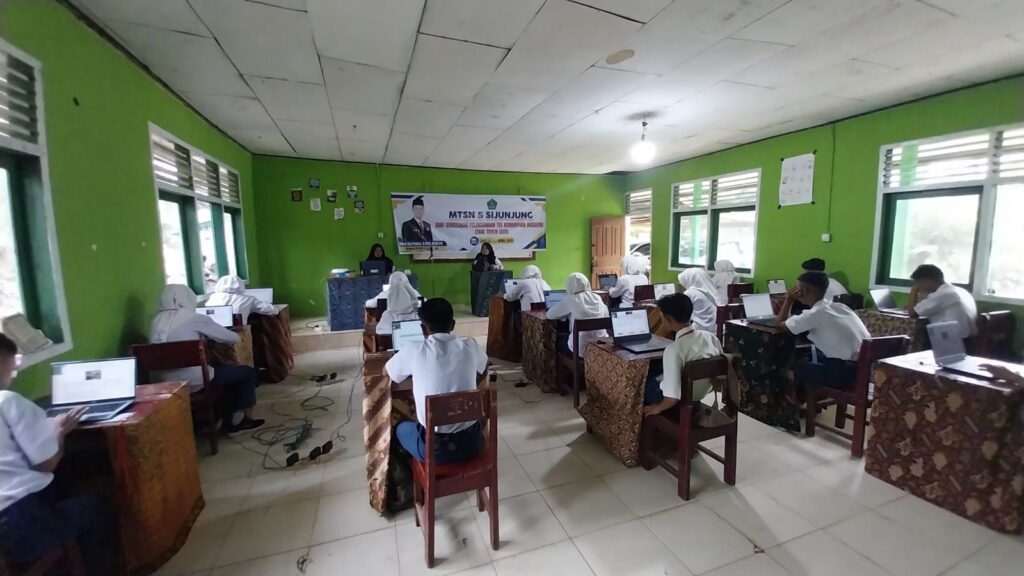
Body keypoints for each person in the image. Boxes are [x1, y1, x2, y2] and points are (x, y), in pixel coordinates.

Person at [0, 334, 117, 575]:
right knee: (95, 506)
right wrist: (59, 432)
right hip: (18, 528)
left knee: (64, 483)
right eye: (12, 366)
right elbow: (47, 464)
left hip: (10, 524)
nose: (14, 373)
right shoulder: (8, 401)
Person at [150, 285, 264, 434]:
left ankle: (216, 416)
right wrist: (228, 332)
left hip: (162, 382)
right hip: (192, 381)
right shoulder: (193, 318)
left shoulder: (154, 321)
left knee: (223, 372)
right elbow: (232, 338)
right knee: (246, 373)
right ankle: (237, 421)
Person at [386, 298, 487, 463]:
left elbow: (388, 372)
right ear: (453, 325)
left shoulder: (414, 349)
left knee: (400, 427)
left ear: (422, 328)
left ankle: (406, 473)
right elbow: (483, 366)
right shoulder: (471, 346)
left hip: (434, 450)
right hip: (473, 443)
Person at [777, 272, 870, 392]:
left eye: (797, 289)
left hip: (843, 374)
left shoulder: (814, 314)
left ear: (804, 291)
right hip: (863, 369)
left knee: (792, 365)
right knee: (809, 356)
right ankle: (812, 398)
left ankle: (795, 400)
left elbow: (779, 324)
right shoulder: (841, 307)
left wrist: (789, 299)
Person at [643, 294, 725, 416]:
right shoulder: (712, 338)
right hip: (702, 391)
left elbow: (672, 398)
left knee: (645, 381)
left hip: (681, 399)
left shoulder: (673, 349)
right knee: (660, 370)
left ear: (668, 319)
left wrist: (658, 408)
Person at [907, 264, 977, 341]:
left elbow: (912, 313)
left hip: (953, 341)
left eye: (918, 284)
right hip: (969, 340)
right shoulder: (959, 291)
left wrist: (914, 290)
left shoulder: (942, 294)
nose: (919, 288)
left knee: (917, 336)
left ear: (926, 282)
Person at [547, 273, 609, 354]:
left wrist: (564, 316)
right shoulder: (597, 298)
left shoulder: (571, 299)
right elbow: (606, 315)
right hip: (601, 346)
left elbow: (549, 315)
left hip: (580, 349)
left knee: (558, 340)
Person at [206, 275, 279, 324]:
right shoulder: (248, 299)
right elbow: (272, 310)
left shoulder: (212, 298)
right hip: (237, 333)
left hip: (212, 334)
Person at [678, 268, 724, 334]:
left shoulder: (690, 293)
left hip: (701, 331)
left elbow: (680, 314)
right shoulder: (711, 291)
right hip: (716, 331)